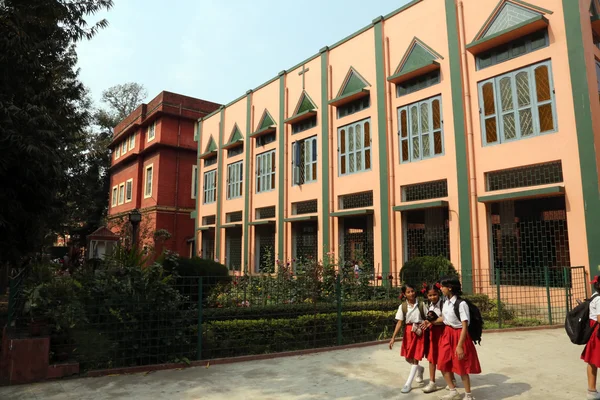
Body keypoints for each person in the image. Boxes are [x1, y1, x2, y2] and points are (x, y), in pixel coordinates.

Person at [438, 276, 481, 400]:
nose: (441, 289)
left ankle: (468, 395)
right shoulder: (445, 302)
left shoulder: (461, 304)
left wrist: (460, 345)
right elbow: (445, 319)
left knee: (462, 366)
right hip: (447, 334)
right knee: (442, 363)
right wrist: (430, 321)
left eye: (442, 286)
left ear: (450, 288)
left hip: (459, 335)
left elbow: (464, 325)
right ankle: (453, 391)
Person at [389, 283, 428, 393]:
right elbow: (399, 322)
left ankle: (408, 384)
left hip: (419, 333)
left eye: (412, 291)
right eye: (408, 292)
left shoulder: (421, 304)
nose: (411, 293)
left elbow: (428, 316)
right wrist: (393, 338)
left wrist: (426, 322)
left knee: (415, 358)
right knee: (408, 357)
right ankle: (420, 369)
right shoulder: (403, 306)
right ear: (404, 294)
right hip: (408, 333)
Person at [419, 282, 453, 393]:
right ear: (427, 296)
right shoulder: (430, 306)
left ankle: (452, 379)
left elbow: (445, 319)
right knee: (431, 358)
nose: (432, 297)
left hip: (443, 333)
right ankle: (432, 382)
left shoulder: (445, 304)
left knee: (446, 358)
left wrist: (432, 322)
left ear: (438, 293)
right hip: (433, 335)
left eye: (435, 294)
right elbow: (431, 319)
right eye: (430, 295)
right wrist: (428, 322)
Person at [582, 275, 600, 399]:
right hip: (598, 332)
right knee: (593, 361)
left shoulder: (594, 296)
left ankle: (592, 391)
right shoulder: (599, 299)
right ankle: (592, 390)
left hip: (595, 332)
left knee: (592, 361)